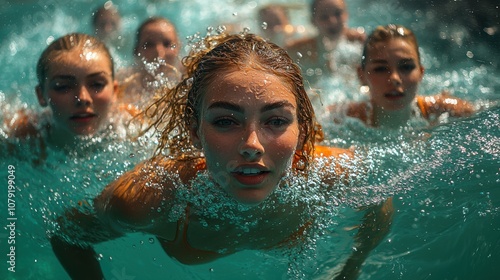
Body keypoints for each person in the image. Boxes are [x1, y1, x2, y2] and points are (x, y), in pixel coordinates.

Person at [50, 33, 393, 279]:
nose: (252, 145)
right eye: (226, 121)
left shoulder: (333, 171)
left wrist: (352, 266)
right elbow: (66, 232)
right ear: (195, 133)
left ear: (301, 130)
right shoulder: (151, 198)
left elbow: (381, 202)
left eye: (276, 120)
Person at [4, 33, 139, 152]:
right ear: (41, 96)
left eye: (97, 84)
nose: (82, 98)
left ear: (114, 91)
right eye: (63, 87)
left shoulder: (133, 126)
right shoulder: (21, 136)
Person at [329, 24, 476, 128]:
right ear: (362, 76)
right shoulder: (342, 117)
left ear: (421, 73)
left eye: (406, 67)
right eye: (381, 69)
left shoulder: (448, 111)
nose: (394, 78)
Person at [285, 0, 365, 82]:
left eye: (337, 13)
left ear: (346, 14)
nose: (332, 21)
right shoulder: (299, 49)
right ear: (313, 21)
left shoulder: (360, 42)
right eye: (324, 17)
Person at [118, 16, 184, 106]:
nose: (159, 54)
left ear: (179, 47)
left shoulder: (190, 77)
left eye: (167, 44)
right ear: (136, 51)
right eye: (149, 45)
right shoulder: (122, 84)